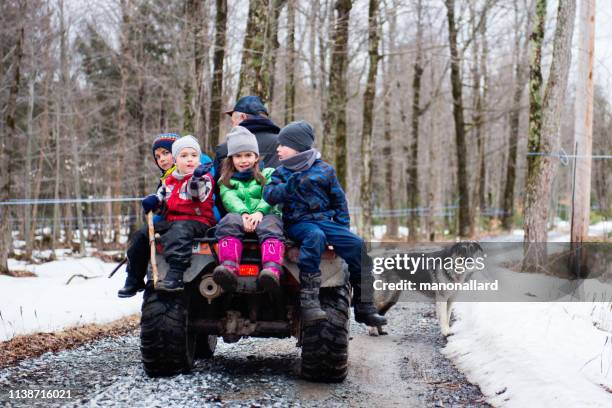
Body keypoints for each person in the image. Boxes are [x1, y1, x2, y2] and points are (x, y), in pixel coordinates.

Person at [263, 121, 387, 327]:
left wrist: (342, 230)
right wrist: (288, 187)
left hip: (324, 222)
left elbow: (339, 200)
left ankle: (365, 306)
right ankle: (309, 301)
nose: (278, 148)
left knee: (357, 245)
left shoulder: (324, 170)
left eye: (283, 144)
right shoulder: (281, 172)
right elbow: (270, 196)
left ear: (298, 146)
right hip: (298, 223)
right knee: (315, 236)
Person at [213, 126, 284, 293]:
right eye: (238, 156)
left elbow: (270, 194)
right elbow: (230, 199)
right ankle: (229, 267)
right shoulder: (225, 180)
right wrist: (244, 214)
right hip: (240, 217)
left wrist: (259, 212)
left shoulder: (268, 174)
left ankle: (271, 270)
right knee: (227, 221)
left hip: (265, 215)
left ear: (256, 157)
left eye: (248, 155)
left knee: (272, 225)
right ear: (231, 159)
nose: (243, 160)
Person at [140, 135, 216, 291]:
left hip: (198, 220)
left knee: (179, 230)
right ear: (175, 161)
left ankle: (176, 273)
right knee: (143, 234)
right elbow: (163, 201)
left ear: (199, 158)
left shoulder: (204, 177)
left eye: (194, 156)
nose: (190, 160)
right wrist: (154, 201)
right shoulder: (169, 181)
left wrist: (196, 178)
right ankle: (135, 275)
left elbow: (195, 194)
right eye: (184, 156)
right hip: (174, 220)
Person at [118, 133, 178, 297]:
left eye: (166, 153)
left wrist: (160, 205)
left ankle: (135, 278)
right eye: (158, 156)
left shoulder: (183, 172)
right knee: (140, 236)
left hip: (184, 220)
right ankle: (134, 277)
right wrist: (155, 204)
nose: (162, 159)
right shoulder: (165, 178)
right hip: (168, 220)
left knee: (144, 235)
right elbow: (162, 199)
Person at [213, 95, 281, 178]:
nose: (233, 126)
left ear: (243, 117)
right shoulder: (284, 144)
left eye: (233, 122)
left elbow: (215, 187)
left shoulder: (224, 149)